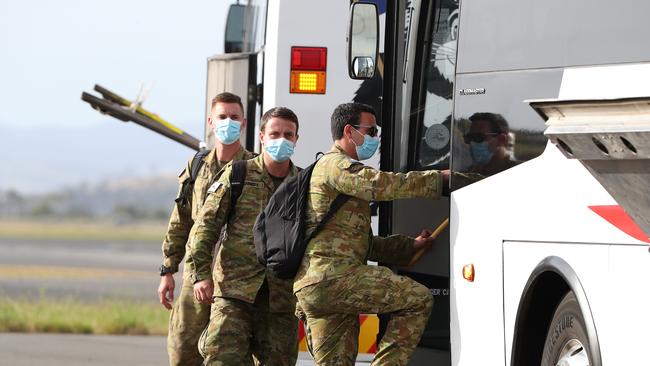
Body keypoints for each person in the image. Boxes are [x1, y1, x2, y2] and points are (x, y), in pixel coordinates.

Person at [293, 102, 449, 366]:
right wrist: (438, 179)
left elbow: (365, 245)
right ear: (349, 131)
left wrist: (409, 245)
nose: (375, 137)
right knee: (418, 299)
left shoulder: (329, 171)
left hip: (316, 288)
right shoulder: (336, 165)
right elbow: (380, 185)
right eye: (371, 130)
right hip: (335, 279)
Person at [189, 107, 301, 365]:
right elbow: (206, 227)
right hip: (234, 293)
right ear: (262, 136)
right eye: (274, 133)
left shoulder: (303, 184)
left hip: (281, 302)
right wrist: (201, 276)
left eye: (288, 134)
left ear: (297, 139)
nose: (281, 139)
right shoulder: (239, 174)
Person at [157, 92, 255, 366]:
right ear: (211, 122)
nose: (228, 122)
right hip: (196, 276)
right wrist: (168, 270)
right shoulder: (197, 166)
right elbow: (181, 221)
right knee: (182, 351)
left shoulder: (254, 168)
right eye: (222, 117)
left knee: (230, 355)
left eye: (234, 117)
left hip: (237, 281)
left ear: (244, 123)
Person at [464, 112, 519, 176]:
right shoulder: (469, 172)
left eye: (478, 137)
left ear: (501, 139)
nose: (472, 143)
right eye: (469, 137)